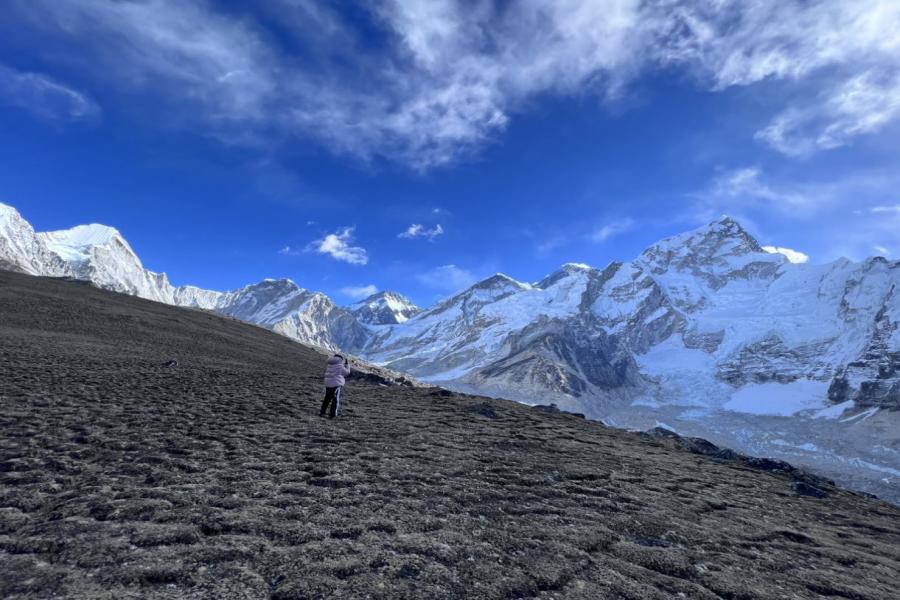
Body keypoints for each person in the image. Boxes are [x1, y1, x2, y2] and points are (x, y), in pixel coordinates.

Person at [320, 354, 351, 418]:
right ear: (340, 359)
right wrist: (347, 365)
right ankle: (332, 414)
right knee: (335, 400)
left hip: (328, 384)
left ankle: (322, 412)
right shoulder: (340, 366)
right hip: (336, 384)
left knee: (327, 398)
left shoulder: (330, 364)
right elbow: (346, 373)